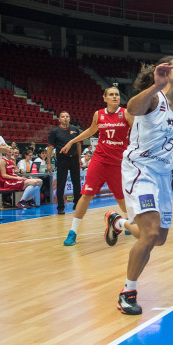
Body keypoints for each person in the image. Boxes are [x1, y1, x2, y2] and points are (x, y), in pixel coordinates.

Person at [105, 56, 173, 315]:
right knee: (151, 233)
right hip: (140, 169)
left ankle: (117, 222)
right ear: (164, 72)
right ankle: (127, 293)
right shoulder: (155, 98)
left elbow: (169, 141)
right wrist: (156, 85)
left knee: (159, 238)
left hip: (163, 174)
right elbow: (131, 108)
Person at [58, 87, 134, 246]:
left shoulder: (126, 113)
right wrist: (72, 141)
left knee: (121, 199)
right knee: (86, 195)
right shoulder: (98, 114)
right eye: (111, 95)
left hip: (117, 164)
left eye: (117, 95)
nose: (115, 97)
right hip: (99, 161)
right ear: (105, 98)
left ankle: (130, 222)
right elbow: (91, 131)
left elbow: (137, 133)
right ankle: (72, 232)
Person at [47, 111, 82, 214]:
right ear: (59, 119)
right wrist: (49, 163)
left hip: (74, 159)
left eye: (67, 116)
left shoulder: (75, 130)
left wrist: (80, 158)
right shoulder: (55, 131)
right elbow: (50, 148)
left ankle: (77, 204)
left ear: (69, 118)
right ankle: (61, 206)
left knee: (76, 183)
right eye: (63, 117)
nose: (65, 118)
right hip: (62, 159)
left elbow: (79, 145)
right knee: (61, 183)